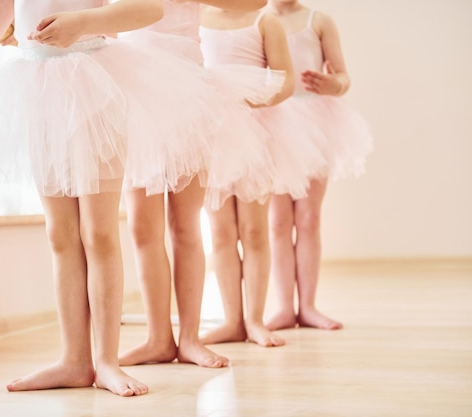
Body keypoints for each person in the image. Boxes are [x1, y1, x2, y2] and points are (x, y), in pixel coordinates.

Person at [0, 0, 245, 396]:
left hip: (95, 86)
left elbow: (148, 9)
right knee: (60, 234)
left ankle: (106, 360)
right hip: (40, 92)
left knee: (100, 232)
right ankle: (75, 359)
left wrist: (86, 21)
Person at [117, 0, 274, 368]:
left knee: (185, 224)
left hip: (188, 93)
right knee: (142, 228)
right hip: (135, 93)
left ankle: (189, 338)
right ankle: (158, 337)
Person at [198, 5, 325, 347]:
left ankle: (255, 319)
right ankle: (232, 320)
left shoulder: (264, 21)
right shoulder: (199, 19)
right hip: (214, 135)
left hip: (256, 132)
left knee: (254, 229)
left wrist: (252, 100)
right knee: (221, 232)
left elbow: (285, 80)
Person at [264, 0, 373, 331]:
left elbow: (343, 76)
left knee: (309, 218)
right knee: (279, 221)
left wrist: (333, 85)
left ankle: (308, 306)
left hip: (315, 121)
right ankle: (283, 306)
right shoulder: (258, 19)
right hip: (274, 123)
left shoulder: (319, 20)